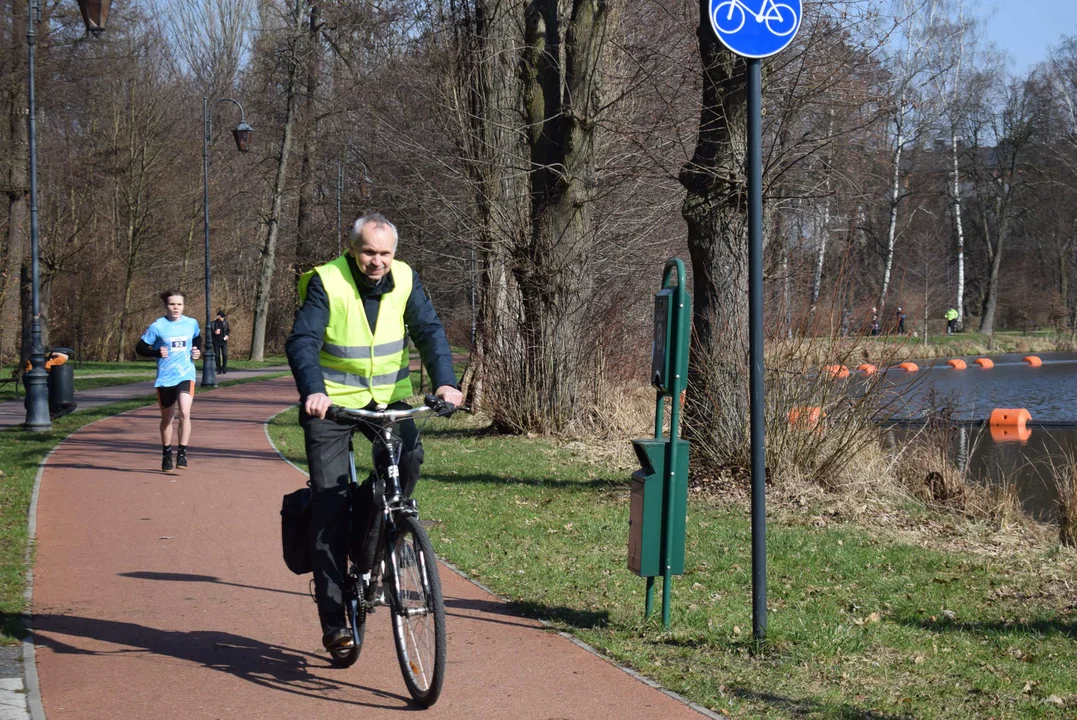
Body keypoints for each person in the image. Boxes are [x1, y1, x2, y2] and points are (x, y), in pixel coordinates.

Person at [286, 212, 463, 653]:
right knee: (330, 505)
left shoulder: (405, 278)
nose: (376, 261)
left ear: (394, 253)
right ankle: (334, 622)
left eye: (384, 252)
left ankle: (374, 533)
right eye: (368, 251)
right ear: (353, 249)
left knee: (409, 460)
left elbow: (428, 330)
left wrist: (445, 381)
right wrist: (313, 392)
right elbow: (302, 341)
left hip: (388, 400)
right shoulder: (327, 281)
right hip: (332, 404)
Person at [136, 290, 202, 473]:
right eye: (172, 304)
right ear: (166, 306)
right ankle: (166, 453)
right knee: (167, 418)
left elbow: (197, 338)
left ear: (183, 306)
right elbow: (140, 347)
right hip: (165, 377)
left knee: (185, 412)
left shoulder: (191, 323)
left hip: (186, 373)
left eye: (179, 304)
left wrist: (197, 350)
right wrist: (156, 353)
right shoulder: (158, 326)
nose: (176, 308)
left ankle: (182, 453)